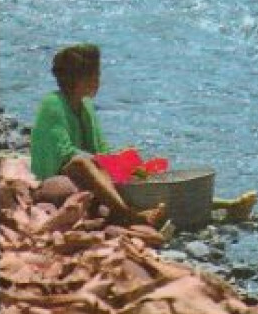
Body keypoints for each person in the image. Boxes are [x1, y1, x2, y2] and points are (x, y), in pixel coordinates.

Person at [30, 44, 166, 227]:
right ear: (78, 79)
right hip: (54, 182)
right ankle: (127, 214)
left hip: (82, 180)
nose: (98, 81)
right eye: (95, 76)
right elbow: (65, 155)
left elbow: (101, 149)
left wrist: (124, 161)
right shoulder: (52, 104)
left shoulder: (86, 106)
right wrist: (103, 162)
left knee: (128, 156)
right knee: (81, 162)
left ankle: (133, 207)